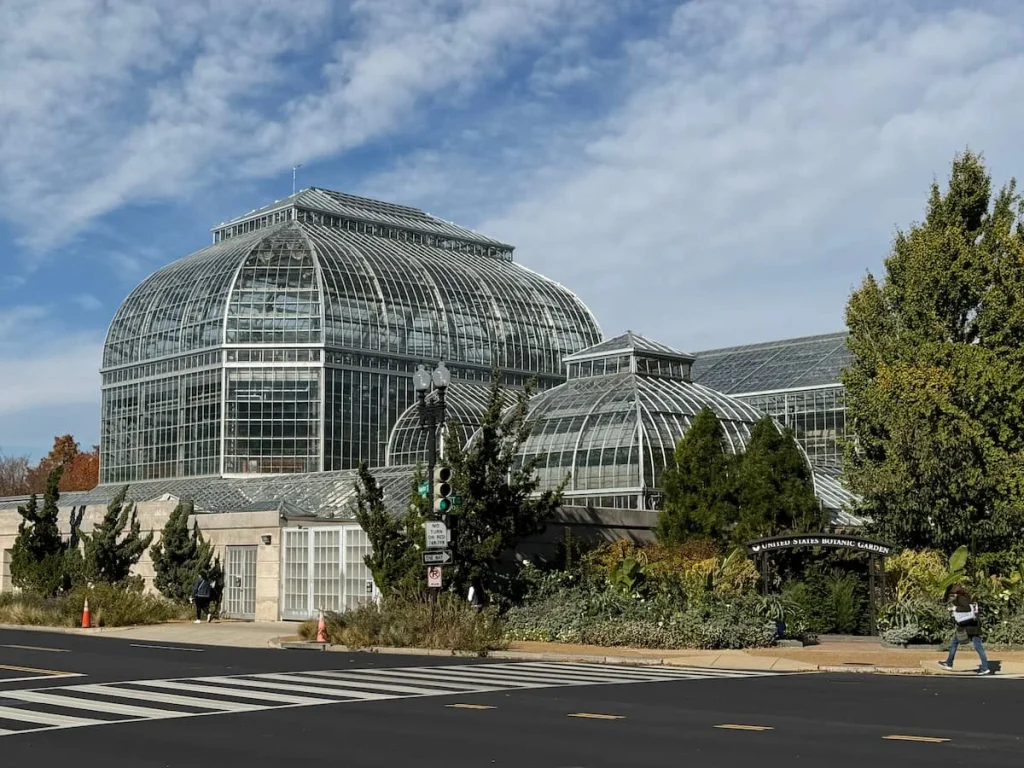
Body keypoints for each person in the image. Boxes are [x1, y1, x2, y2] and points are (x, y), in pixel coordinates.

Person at [938, 585, 991, 675]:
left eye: (953, 594)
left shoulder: (961, 598)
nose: (952, 596)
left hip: (966, 626)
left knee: (954, 642)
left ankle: (949, 663)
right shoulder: (968, 598)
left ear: (956, 593)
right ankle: (985, 667)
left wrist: (954, 608)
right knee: (978, 646)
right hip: (974, 626)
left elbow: (967, 608)